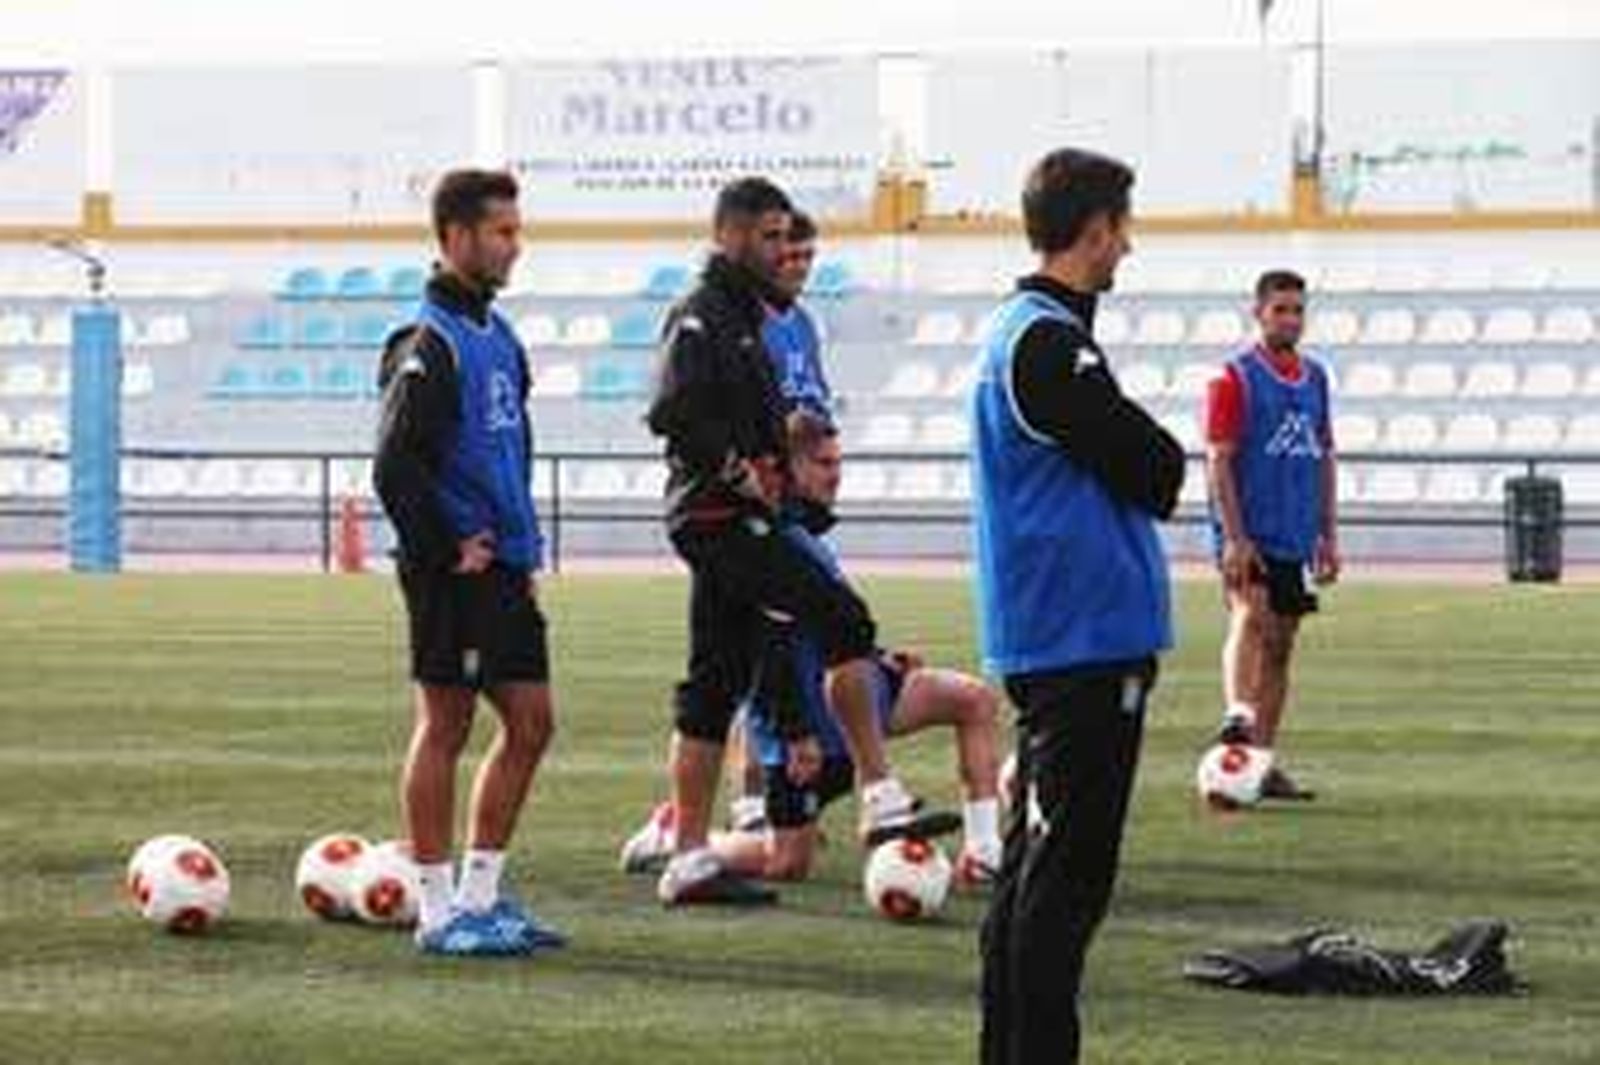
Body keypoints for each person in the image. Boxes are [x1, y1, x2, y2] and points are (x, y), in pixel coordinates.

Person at [640, 176, 950, 906]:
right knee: (842, 616)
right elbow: (671, 409)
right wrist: (738, 468)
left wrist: (778, 448)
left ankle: (686, 854)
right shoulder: (703, 313)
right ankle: (880, 792)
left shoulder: (750, 316)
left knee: (712, 687)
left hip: (735, 518)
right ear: (730, 237)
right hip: (721, 519)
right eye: (770, 237)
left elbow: (727, 410)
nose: (784, 251)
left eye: (789, 238)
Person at [972, 148, 1186, 1064]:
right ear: (1092, 228)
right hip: (1079, 645)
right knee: (1062, 887)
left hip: (1072, 640)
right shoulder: (1046, 341)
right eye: (1121, 228)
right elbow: (1155, 465)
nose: (1127, 247)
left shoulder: (1041, 333)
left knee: (1039, 874)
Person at [373, 168, 564, 956]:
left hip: (505, 565)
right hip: (457, 571)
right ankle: (436, 908)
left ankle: (482, 897)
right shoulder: (429, 343)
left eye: (517, 231)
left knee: (532, 721)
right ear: (456, 237)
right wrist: (450, 544)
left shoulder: (499, 335)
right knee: (446, 722)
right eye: (501, 232)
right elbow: (395, 466)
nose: (515, 246)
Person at [711, 413, 1002, 884]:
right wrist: (794, 730)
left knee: (973, 699)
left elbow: (830, 629)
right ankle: (678, 839)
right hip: (806, 729)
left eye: (838, 462)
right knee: (786, 862)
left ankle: (985, 854)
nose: (836, 474)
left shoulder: (804, 534)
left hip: (856, 701)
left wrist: (881, 656)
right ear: (788, 468)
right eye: (824, 463)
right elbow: (765, 651)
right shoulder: (769, 543)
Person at [1204, 269, 1339, 799]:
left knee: (1281, 647)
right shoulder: (1233, 377)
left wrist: (1328, 531)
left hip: (1295, 532)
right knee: (1250, 614)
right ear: (1258, 313)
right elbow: (1219, 460)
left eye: (1297, 310)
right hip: (1250, 529)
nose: (1290, 319)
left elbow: (1324, 453)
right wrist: (1235, 537)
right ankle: (1237, 716)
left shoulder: (1316, 378)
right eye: (1280, 309)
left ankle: (1258, 763)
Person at [724, 208, 836, 835]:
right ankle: (741, 802)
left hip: (792, 507)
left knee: (775, 647)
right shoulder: (744, 325)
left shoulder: (804, 327)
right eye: (787, 254)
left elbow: (814, 402)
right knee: (745, 657)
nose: (796, 266)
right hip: (746, 511)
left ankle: (766, 796)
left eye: (805, 256)